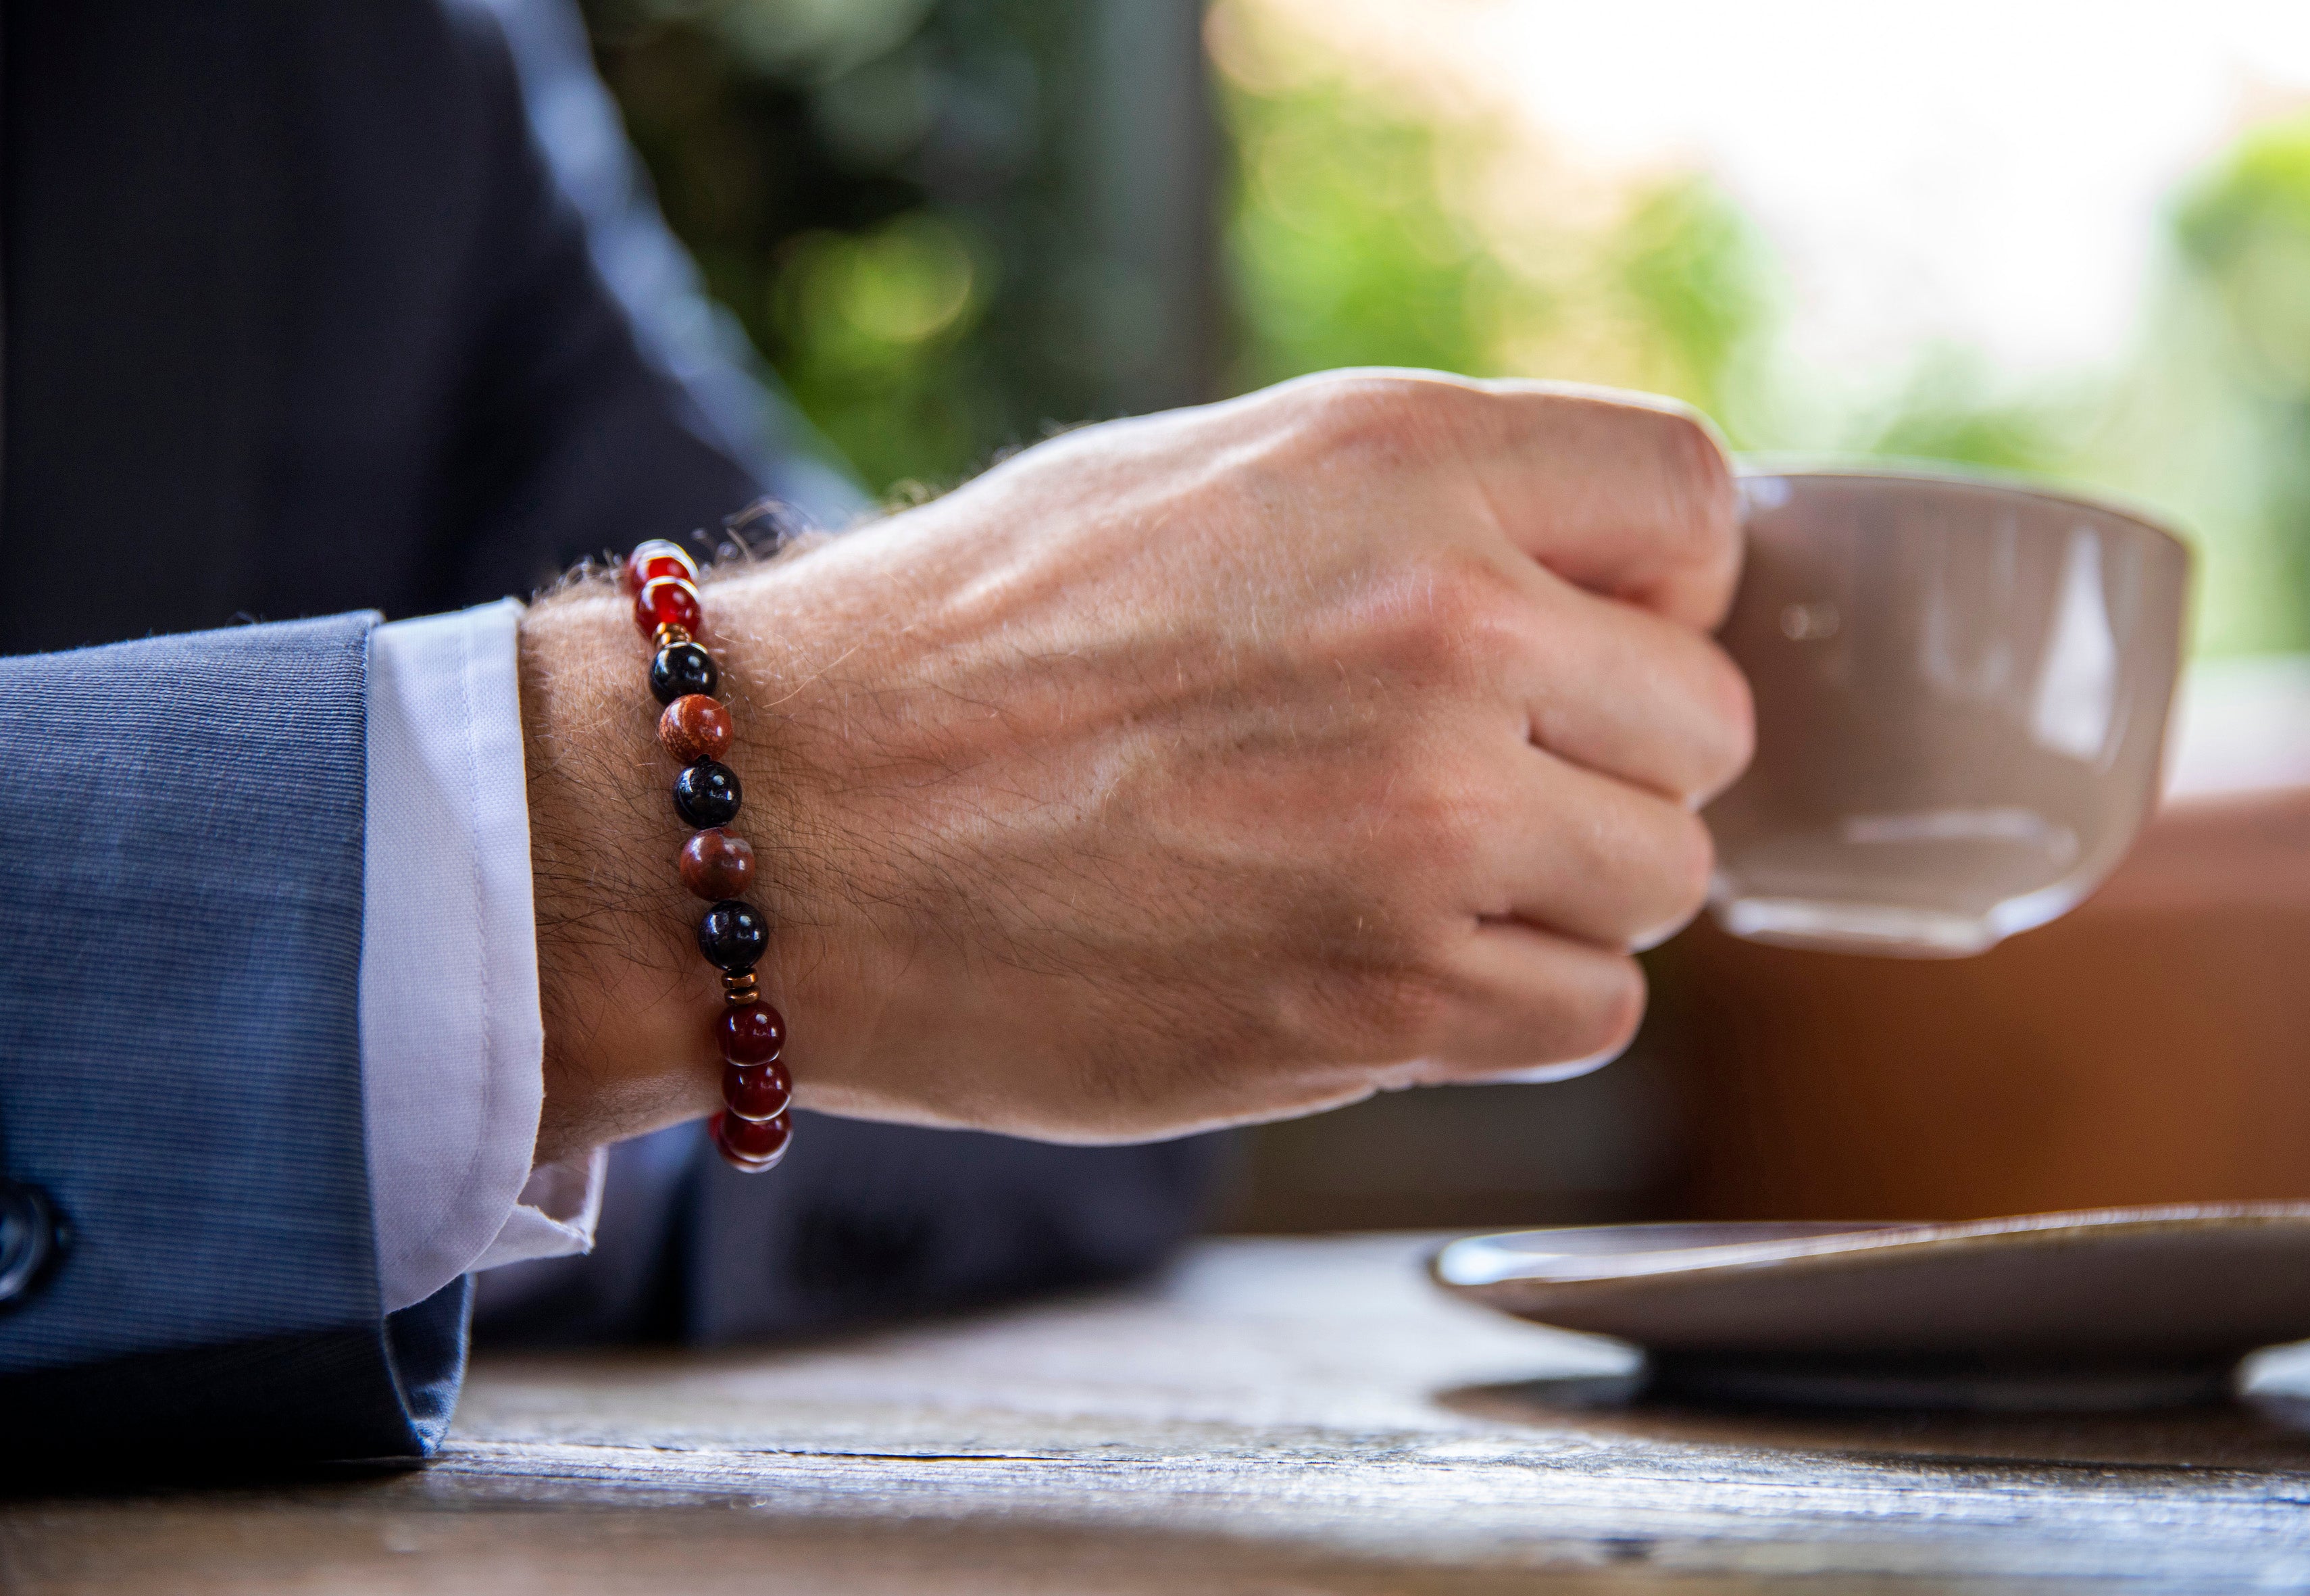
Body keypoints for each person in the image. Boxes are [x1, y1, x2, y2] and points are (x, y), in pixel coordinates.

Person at [0, 1, 1751, 1462]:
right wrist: (566, 880)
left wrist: (432, 1110)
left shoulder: (358, 61)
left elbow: (1124, 900)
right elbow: (868, 798)